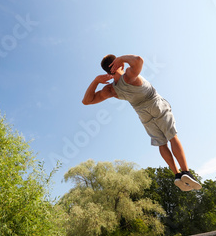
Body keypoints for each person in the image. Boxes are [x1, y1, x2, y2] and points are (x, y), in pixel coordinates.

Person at [82, 54, 202, 191]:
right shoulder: (128, 76)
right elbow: (139, 60)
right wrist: (121, 58)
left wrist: (96, 81)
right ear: (119, 65)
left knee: (162, 144)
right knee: (172, 137)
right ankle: (186, 172)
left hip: (143, 115)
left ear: (107, 71)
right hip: (155, 104)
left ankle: (177, 175)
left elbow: (87, 101)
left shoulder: (110, 89)